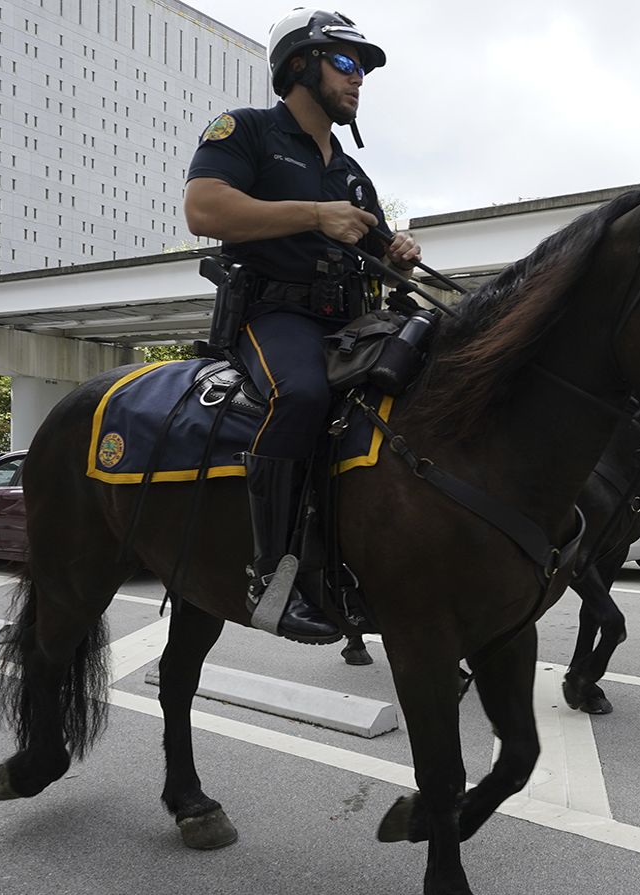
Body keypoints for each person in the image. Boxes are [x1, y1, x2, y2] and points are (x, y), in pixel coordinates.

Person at [182, 9, 422, 643]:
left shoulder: (350, 172)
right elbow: (203, 209)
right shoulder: (247, 131)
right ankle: (271, 575)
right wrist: (315, 215)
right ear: (298, 66)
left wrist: (394, 248)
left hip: (351, 322)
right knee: (303, 396)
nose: (359, 79)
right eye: (345, 63)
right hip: (272, 314)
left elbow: (364, 240)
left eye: (364, 69)